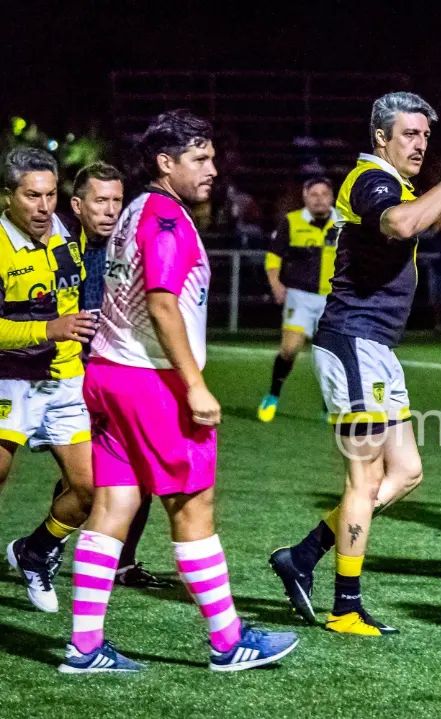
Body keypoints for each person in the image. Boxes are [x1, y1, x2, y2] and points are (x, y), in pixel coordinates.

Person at [61, 110, 297, 673]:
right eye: (199, 158)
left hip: (110, 372)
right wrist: (194, 385)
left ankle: (84, 646)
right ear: (166, 163)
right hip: (152, 380)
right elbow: (163, 302)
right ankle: (228, 641)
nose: (212, 168)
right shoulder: (165, 217)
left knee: (115, 503)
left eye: (212, 157)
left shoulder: (137, 208)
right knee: (193, 506)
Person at [269, 92, 441, 635]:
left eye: (425, 135)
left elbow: (411, 222)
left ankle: (302, 556)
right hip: (353, 342)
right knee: (364, 479)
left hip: (377, 349)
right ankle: (345, 606)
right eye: (409, 134)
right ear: (381, 138)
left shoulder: (394, 186)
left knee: (407, 471)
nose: (421, 144)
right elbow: (402, 225)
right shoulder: (370, 179)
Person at [66, 161, 172, 589]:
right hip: (61, 374)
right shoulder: (58, 247)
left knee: (136, 470)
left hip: (119, 374)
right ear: (78, 205)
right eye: (101, 201)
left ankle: (122, 563)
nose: (111, 210)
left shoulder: (129, 246)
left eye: (117, 201)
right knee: (86, 478)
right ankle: (44, 545)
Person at [1, 147, 98, 613]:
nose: (43, 207)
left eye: (50, 194)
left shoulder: (67, 231)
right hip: (10, 379)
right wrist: (47, 329)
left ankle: (35, 551)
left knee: (90, 490)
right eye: (31, 196)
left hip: (64, 379)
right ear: (8, 196)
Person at [257, 177, 340, 422]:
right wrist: (275, 283)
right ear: (305, 197)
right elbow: (273, 256)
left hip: (333, 297)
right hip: (300, 295)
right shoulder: (292, 221)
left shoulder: (343, 223)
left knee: (330, 354)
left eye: (324, 194)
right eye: (314, 194)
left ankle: (329, 404)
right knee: (290, 349)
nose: (319, 199)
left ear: (332, 197)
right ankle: (273, 395)